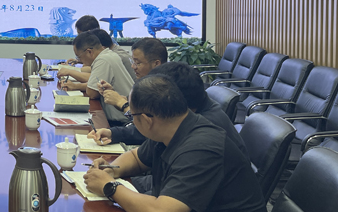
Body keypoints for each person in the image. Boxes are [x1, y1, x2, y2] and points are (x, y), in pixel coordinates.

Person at [83, 75, 275, 212]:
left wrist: (110, 187)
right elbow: (136, 157)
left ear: (147, 119)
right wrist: (112, 169)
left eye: (131, 116)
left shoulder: (202, 146)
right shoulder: (170, 128)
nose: (131, 120)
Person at [91, 62, 248, 158]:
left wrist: (113, 187)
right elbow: (150, 132)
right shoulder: (184, 117)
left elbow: (168, 189)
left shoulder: (203, 133)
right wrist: (114, 133)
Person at [69, 31, 134, 124]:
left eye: (79, 57)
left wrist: (76, 86)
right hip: (127, 114)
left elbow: (92, 93)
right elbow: (95, 86)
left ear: (89, 52)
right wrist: (75, 86)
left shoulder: (102, 60)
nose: (80, 60)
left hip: (123, 121)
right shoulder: (109, 54)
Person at [97, 37, 168, 110]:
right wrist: (112, 94)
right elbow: (132, 104)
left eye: (138, 63)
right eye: (133, 62)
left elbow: (141, 116)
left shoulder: (164, 89)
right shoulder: (145, 83)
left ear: (156, 64)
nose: (133, 66)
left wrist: (121, 103)